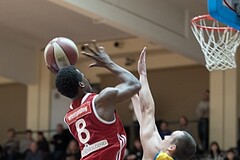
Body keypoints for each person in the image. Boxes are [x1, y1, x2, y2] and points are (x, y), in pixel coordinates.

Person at [54, 40, 141, 160]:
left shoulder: (69, 118)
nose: (86, 79)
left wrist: (60, 73)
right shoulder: (101, 101)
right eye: (84, 77)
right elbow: (135, 84)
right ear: (81, 84)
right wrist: (108, 63)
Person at [131, 47, 196, 160]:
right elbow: (145, 121)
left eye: (170, 137)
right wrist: (132, 95)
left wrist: (143, 74)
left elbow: (148, 110)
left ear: (172, 147)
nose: (165, 136)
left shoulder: (158, 154)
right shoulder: (159, 151)